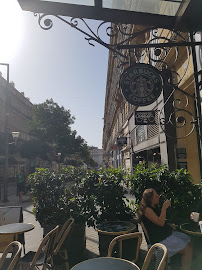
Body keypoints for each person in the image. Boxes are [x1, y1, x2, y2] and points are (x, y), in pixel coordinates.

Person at [137, 188, 192, 270]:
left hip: (164, 235)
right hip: (159, 240)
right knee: (188, 249)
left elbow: (156, 223)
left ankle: (176, 263)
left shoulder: (153, 207)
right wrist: (164, 208)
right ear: (150, 199)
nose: (158, 196)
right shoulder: (147, 210)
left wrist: (168, 225)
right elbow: (160, 222)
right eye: (156, 196)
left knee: (189, 239)